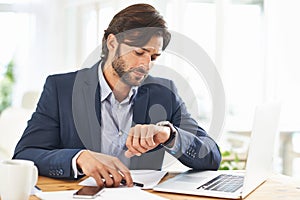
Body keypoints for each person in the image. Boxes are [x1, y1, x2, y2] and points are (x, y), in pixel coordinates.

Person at [13, 3, 221, 187]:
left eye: (154, 57)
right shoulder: (61, 88)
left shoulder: (165, 93)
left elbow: (211, 155)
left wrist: (170, 135)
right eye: (139, 53)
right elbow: (26, 153)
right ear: (112, 43)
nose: (146, 65)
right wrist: (78, 158)